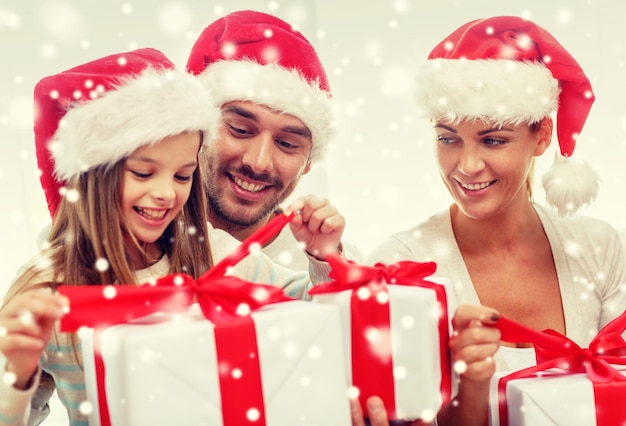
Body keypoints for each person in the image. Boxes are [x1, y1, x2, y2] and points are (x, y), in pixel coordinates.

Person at [0, 48, 339, 425]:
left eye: (182, 175)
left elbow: (319, 312)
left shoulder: (214, 254)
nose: (167, 193)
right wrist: (18, 377)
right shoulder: (46, 291)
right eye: (144, 173)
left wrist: (323, 257)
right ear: (93, 176)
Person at [359, 16, 626, 426]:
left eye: (493, 140)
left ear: (541, 136)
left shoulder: (599, 248)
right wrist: (473, 389)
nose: (466, 166)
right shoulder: (402, 267)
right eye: (448, 138)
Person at [186, 9, 362, 269]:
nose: (258, 162)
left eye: (287, 144)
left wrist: (330, 266)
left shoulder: (332, 263)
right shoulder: (139, 246)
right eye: (240, 129)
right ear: (195, 131)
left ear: (309, 162)